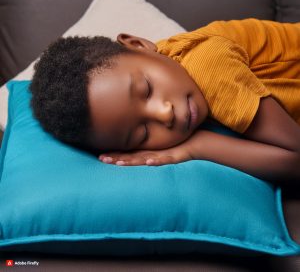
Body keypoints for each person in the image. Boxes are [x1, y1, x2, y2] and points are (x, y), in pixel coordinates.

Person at [29, 18, 300, 184]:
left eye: (146, 90)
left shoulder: (210, 67)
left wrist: (198, 147)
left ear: (137, 44)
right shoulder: (177, 75)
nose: (164, 114)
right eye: (143, 133)